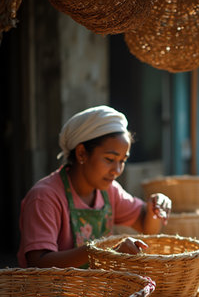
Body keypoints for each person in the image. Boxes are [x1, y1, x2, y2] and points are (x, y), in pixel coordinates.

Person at [18, 105, 172, 268]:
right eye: (109, 159)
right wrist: (104, 250)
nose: (117, 171)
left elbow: (146, 226)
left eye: (122, 161)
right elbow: (38, 263)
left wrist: (154, 208)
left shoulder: (110, 191)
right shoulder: (45, 197)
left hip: (93, 291)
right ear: (81, 153)